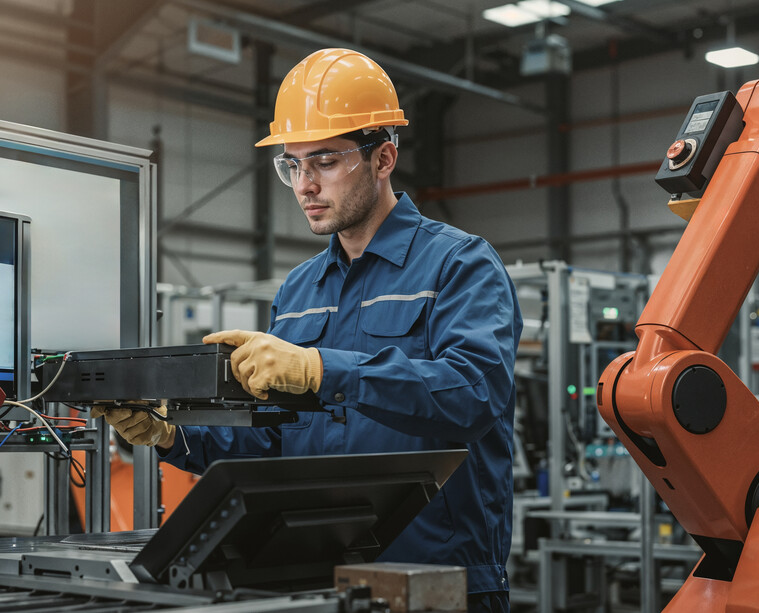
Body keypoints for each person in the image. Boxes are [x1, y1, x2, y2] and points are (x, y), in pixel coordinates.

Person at [93, 48, 521, 612]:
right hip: (320, 579)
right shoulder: (299, 291)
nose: (304, 185)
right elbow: (276, 438)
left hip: (441, 583)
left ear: (383, 157)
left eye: (324, 160)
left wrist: (321, 369)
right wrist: (174, 434)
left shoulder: (459, 265)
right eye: (292, 165)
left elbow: (473, 394)